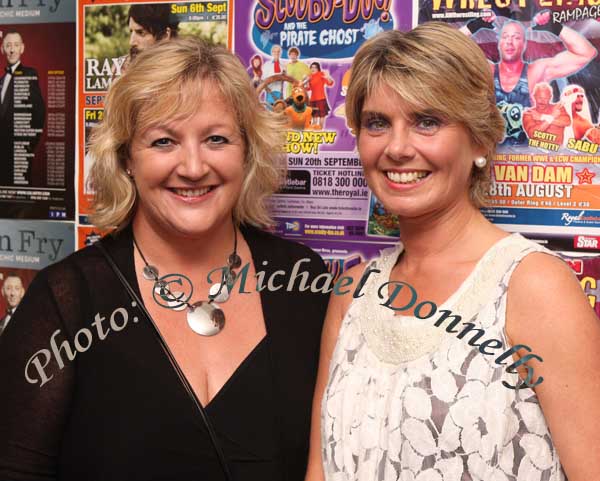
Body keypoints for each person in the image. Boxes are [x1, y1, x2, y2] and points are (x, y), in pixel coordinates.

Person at [0, 38, 329, 481]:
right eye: (163, 141)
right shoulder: (65, 301)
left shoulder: (303, 281)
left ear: (247, 150)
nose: (193, 167)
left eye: (216, 138)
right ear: (126, 159)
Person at [305, 23, 600, 481]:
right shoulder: (352, 292)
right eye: (378, 123)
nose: (398, 148)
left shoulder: (531, 286)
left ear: (480, 140)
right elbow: (319, 471)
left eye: (427, 122)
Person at [461, 12, 596, 145]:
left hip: (527, 157)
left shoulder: (537, 72)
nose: (509, 42)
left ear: (524, 44)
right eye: (505, 37)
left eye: (516, 37)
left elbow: (586, 53)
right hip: (490, 155)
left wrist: (555, 27)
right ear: (499, 43)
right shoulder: (486, 70)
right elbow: (444, 51)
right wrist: (474, 26)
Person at [0, 31, 45, 186]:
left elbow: (39, 112)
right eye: (8, 45)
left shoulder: (30, 73)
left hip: (19, 151)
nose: (12, 50)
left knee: (20, 197)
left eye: (16, 45)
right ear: (3, 49)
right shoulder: (1, 80)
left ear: (22, 48)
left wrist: (28, 145)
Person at [117, 3, 179, 73]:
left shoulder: (182, 71)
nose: (131, 42)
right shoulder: (120, 66)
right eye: (131, 31)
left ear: (164, 36)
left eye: (140, 33)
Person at [304, 62, 334, 129]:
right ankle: (314, 134)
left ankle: (320, 132)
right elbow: (308, 89)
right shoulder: (310, 76)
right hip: (313, 100)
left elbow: (330, 83)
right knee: (314, 118)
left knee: (321, 117)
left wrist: (328, 77)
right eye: (311, 67)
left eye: (315, 67)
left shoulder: (321, 74)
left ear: (318, 69)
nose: (313, 69)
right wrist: (307, 81)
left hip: (321, 99)